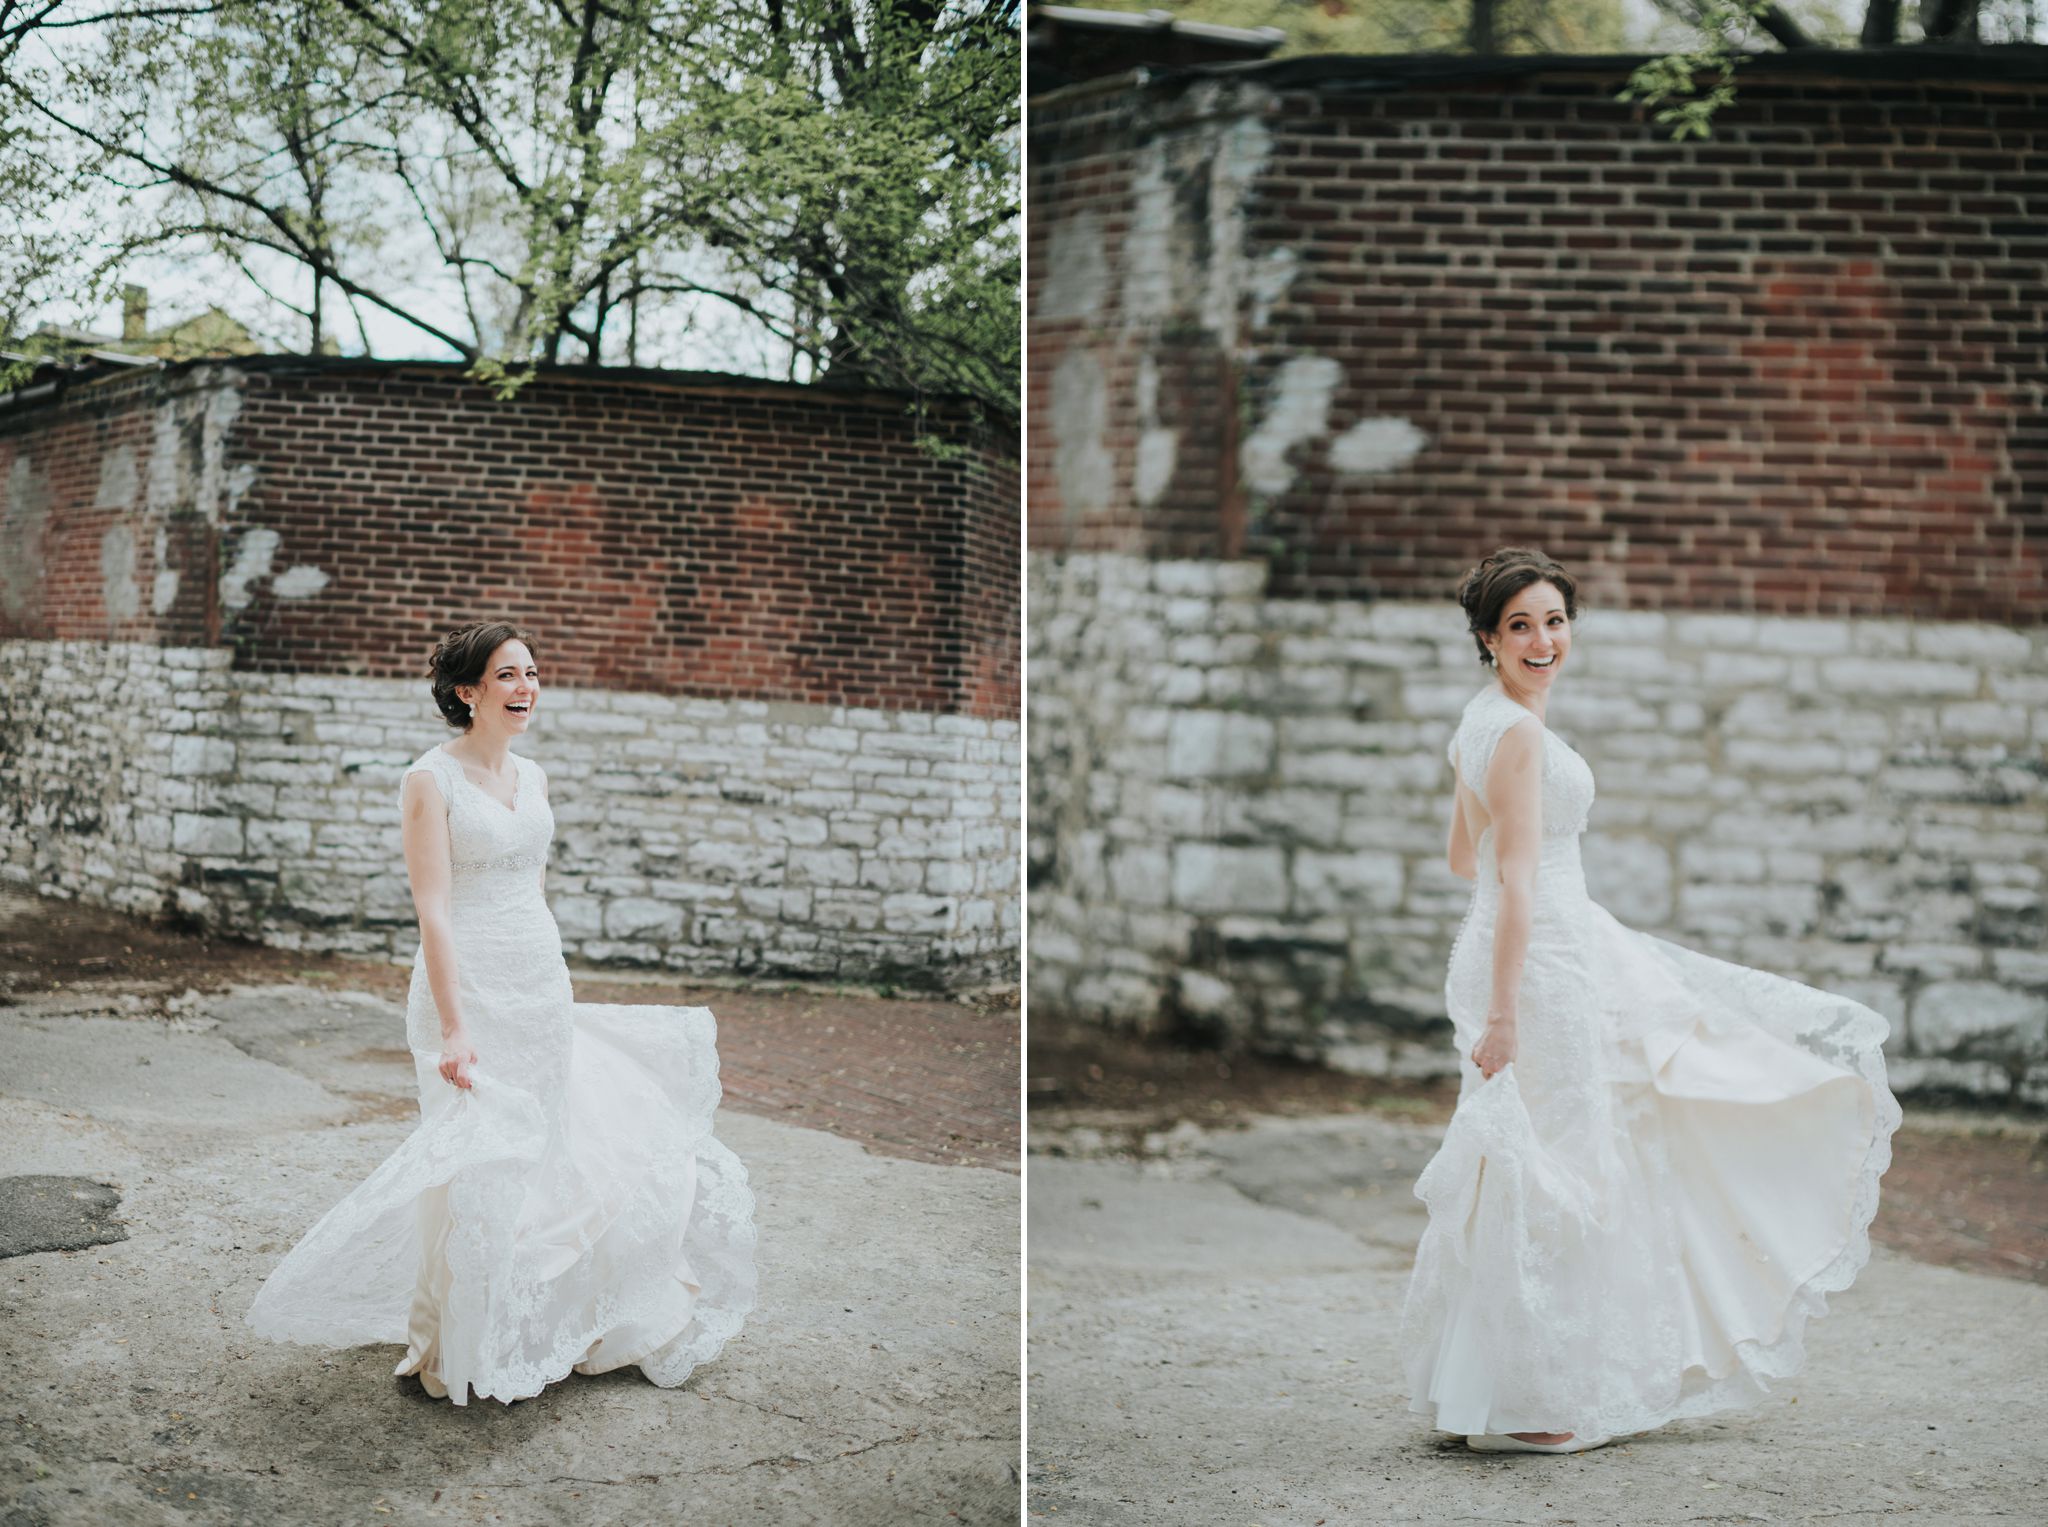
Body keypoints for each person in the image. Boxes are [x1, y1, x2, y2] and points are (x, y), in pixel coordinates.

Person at [1400, 549, 1900, 1454]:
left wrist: (1554, 900)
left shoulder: (1483, 721)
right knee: (1558, 1162)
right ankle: (1533, 1402)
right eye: (1520, 625)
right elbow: (1507, 879)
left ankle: (1479, 1390)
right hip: (1534, 966)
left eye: (1554, 620)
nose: (1542, 639)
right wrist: (1511, 1004)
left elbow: (1460, 859)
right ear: (1487, 637)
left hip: (1531, 945)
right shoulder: (1515, 735)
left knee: (1523, 1154)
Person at [246, 620, 758, 1405]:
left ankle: (538, 1327)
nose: (527, 688)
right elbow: (435, 912)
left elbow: (531, 888)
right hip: (467, 993)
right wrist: (455, 1026)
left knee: (547, 1158)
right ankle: (449, 1345)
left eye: (532, 672)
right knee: (472, 1166)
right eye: (509, 675)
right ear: (468, 691)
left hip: (539, 988)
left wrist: (551, 976)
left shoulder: (537, 777)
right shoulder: (430, 780)